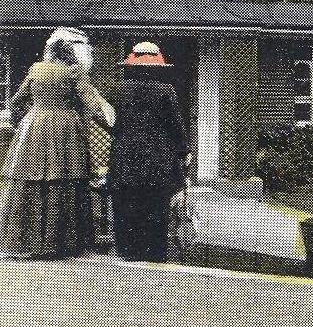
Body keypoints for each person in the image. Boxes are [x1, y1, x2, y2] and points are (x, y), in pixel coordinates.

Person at [0, 28, 113, 260]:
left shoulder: (36, 69)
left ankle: (26, 243)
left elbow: (16, 100)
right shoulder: (74, 72)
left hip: (33, 126)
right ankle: (60, 243)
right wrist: (111, 127)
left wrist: (25, 119)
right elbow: (91, 105)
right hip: (66, 129)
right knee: (63, 179)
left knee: (30, 180)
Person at [107, 42, 188, 263]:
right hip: (157, 157)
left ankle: (127, 249)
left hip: (125, 154)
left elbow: (110, 121)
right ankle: (154, 250)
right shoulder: (165, 91)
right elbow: (175, 125)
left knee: (125, 202)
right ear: (157, 67)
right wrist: (183, 150)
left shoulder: (118, 89)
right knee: (155, 203)